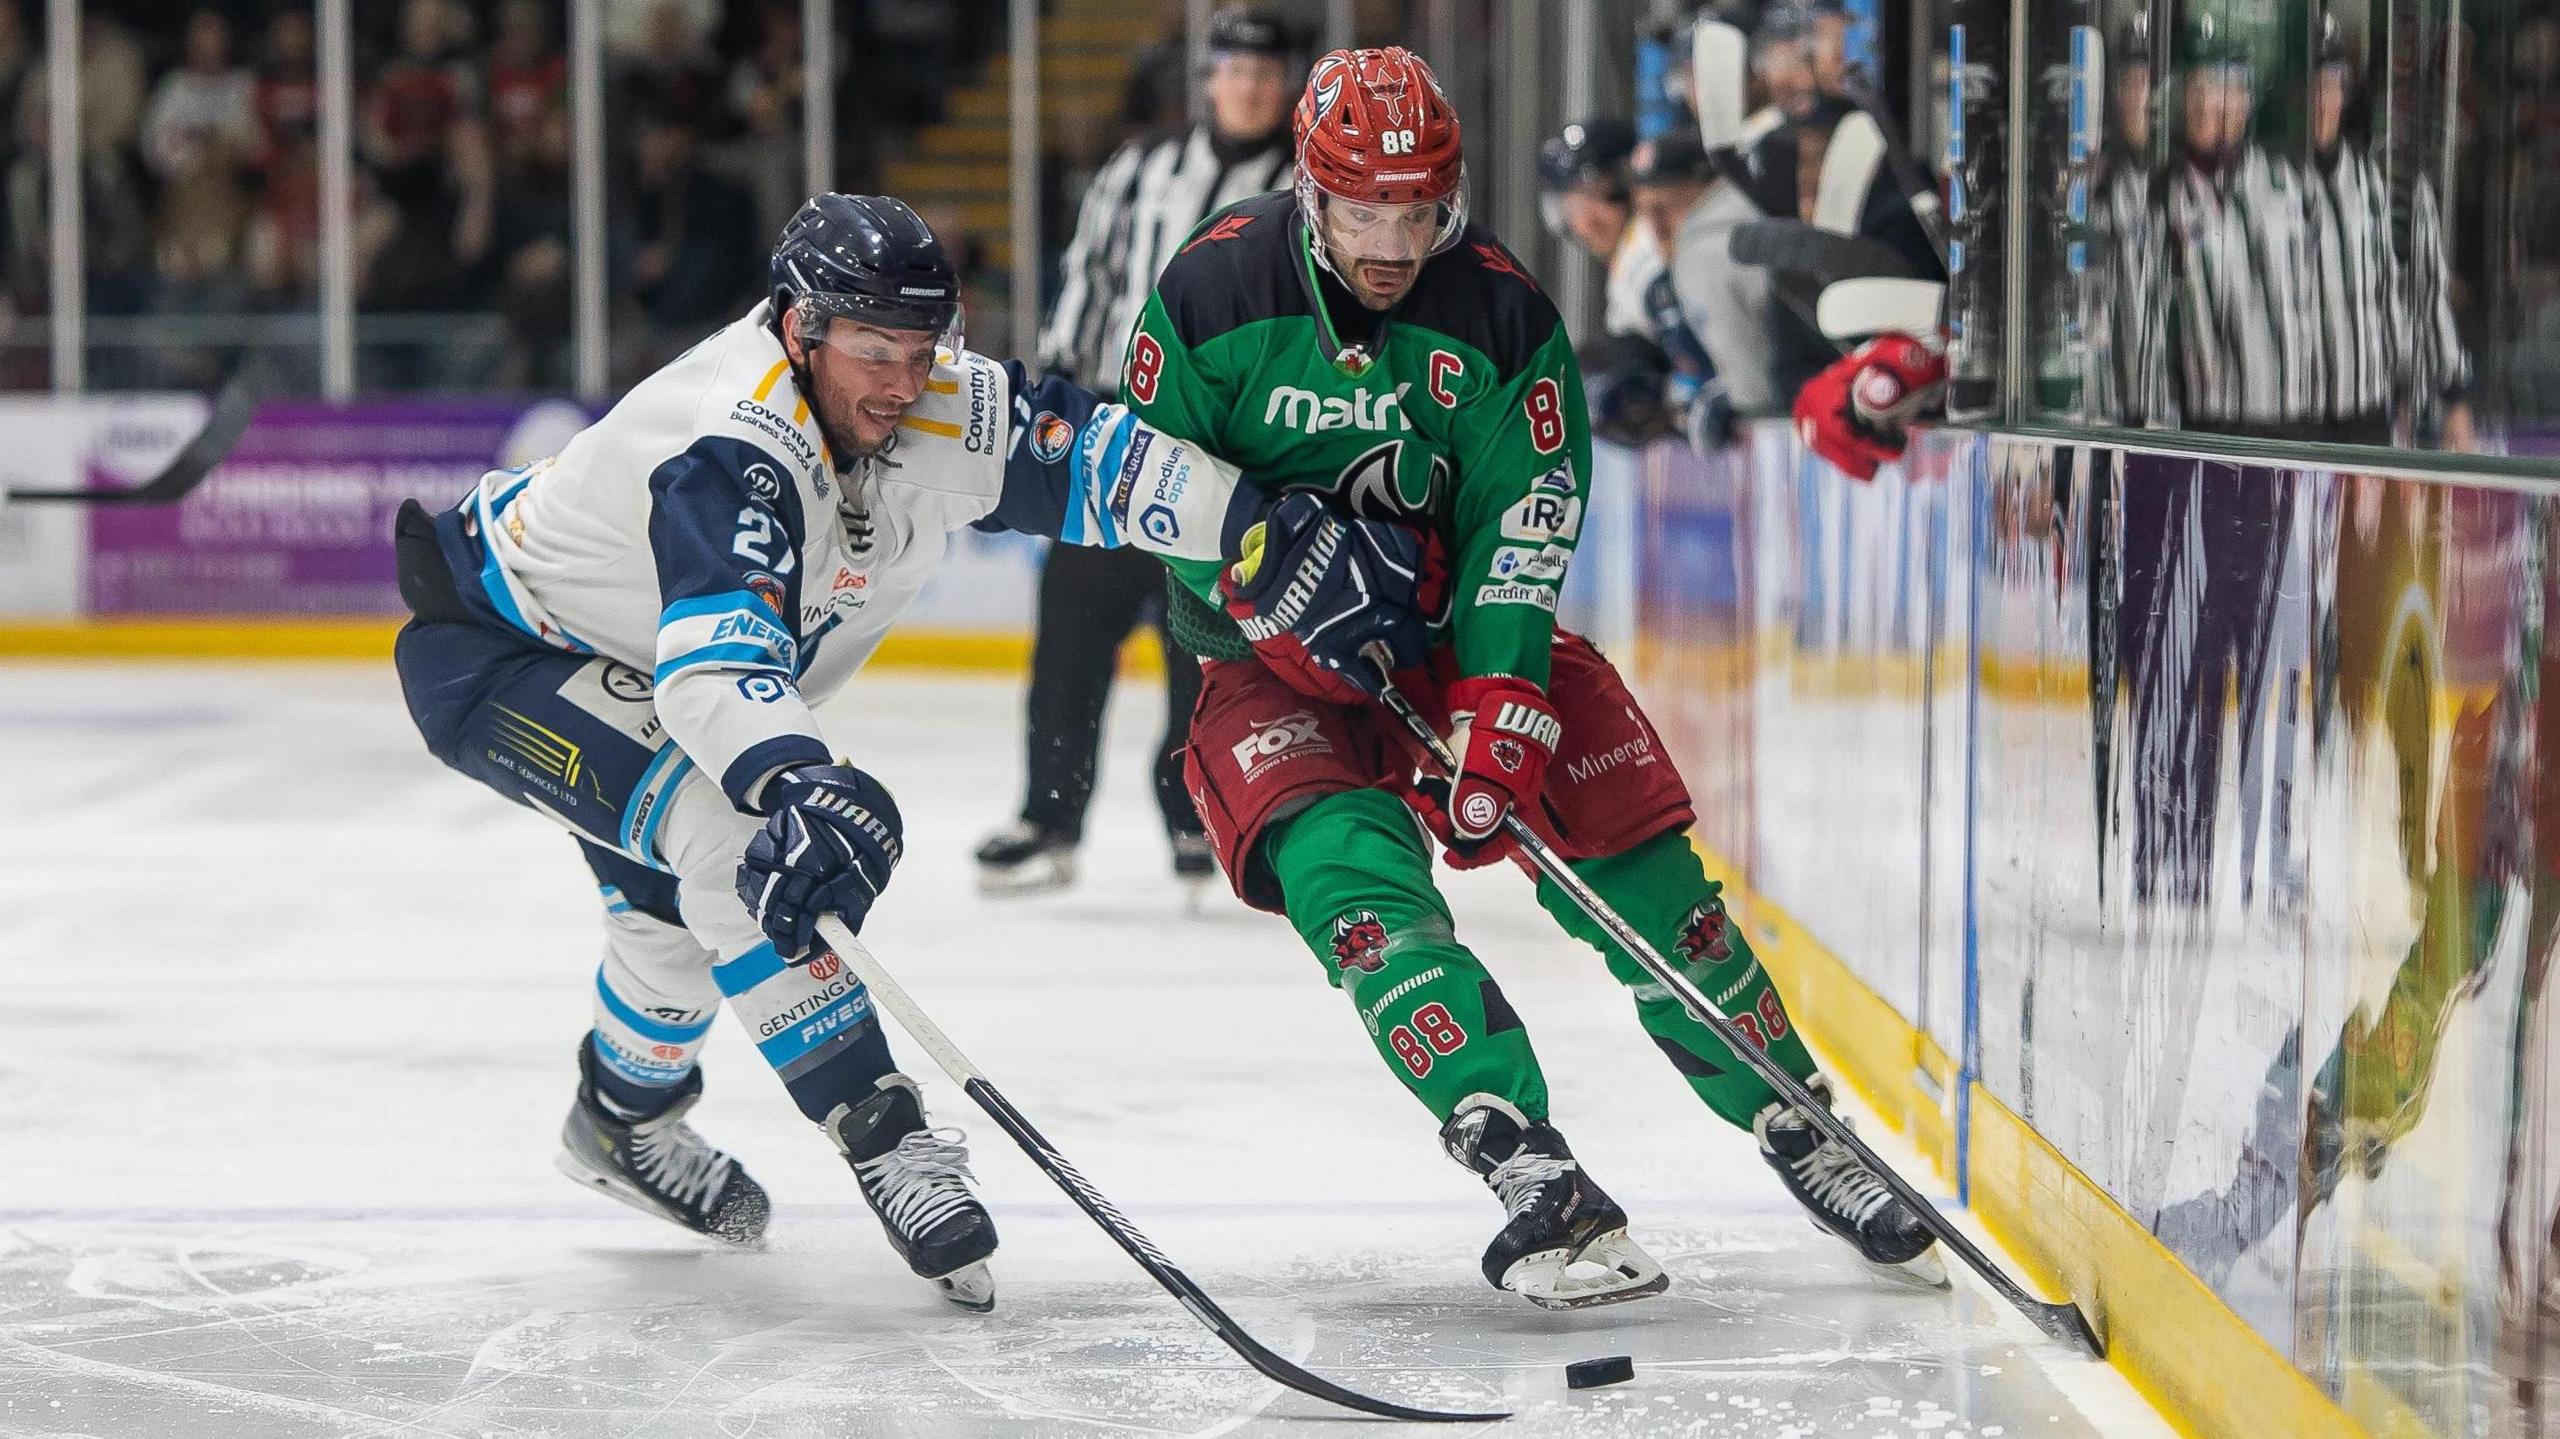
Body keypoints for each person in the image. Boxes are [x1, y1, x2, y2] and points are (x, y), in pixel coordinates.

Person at [1124, 46, 1943, 1309]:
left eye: (1417, 212)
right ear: (1310, 192)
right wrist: (1253, 577)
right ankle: (1520, 1152)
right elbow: (1146, 484)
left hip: (1457, 638)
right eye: (1365, 213)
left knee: (1644, 876)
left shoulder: (1501, 317)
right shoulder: (1211, 290)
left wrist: (1500, 707)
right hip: (1273, 667)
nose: (1393, 244)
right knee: (1354, 889)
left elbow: (1524, 523)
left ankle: (1796, 1117)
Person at [390, 194, 1291, 1311]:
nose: (903, 382)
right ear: (799, 327)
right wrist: (799, 778)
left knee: (669, 921)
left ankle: (619, 1121)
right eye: (873, 349)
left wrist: (1275, 528)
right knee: (735, 844)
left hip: (646, 662)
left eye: (922, 348)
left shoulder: (931, 402)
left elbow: (1104, 461)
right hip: (503, 653)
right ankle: (884, 1132)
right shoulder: (735, 441)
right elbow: (717, 667)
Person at [975, 7, 1301, 896]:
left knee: (1203, 645)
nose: (1249, 87)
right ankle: (1048, 816)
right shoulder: (1137, 170)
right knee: (1072, 633)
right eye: (1235, 70)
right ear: (1208, 80)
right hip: (1112, 433)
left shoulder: (1301, 189)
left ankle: (1197, 816)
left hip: (1225, 447)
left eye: (1266, 73)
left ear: (1283, 86)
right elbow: (1088, 279)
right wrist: (1056, 391)